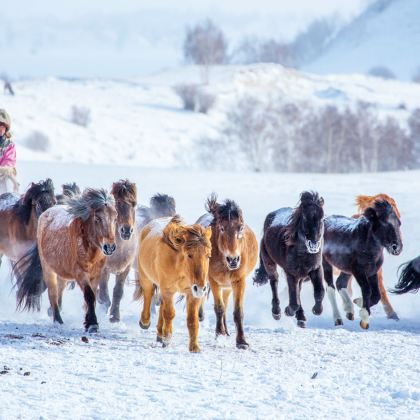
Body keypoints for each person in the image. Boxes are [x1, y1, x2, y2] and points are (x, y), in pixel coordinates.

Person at [0, 109, 18, 193]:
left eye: (1, 125)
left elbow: (9, 161)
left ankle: (7, 202)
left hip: (2, 175)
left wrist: (3, 170)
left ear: (6, 128)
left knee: (8, 180)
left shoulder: (9, 145)